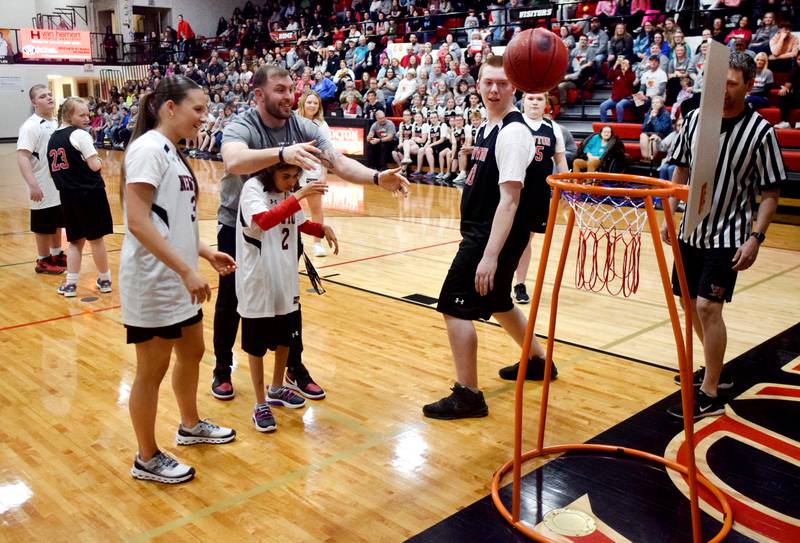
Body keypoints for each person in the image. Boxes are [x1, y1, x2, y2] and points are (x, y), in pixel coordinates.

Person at [212, 65, 409, 401]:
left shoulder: (302, 126)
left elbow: (338, 162)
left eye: (291, 89)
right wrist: (282, 153)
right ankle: (222, 367)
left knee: (290, 296)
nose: (289, 96)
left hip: (283, 224)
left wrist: (376, 178)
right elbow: (233, 161)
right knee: (232, 298)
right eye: (279, 89)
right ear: (259, 94)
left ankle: (294, 367)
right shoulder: (242, 125)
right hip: (240, 225)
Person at [422, 56, 556, 420]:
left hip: (490, 235)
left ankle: (468, 394)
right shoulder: (487, 126)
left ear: (514, 86)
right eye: (488, 82)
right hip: (486, 231)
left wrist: (490, 255)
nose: (494, 90)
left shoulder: (512, 132)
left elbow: (510, 199)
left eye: (502, 83)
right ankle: (538, 361)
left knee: (452, 304)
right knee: (498, 300)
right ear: (477, 84)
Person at [121, 76, 237, 484]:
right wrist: (186, 268)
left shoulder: (173, 152)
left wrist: (203, 252)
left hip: (181, 278)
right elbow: (136, 222)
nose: (204, 118)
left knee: (193, 350)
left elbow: (169, 218)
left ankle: (189, 425)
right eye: (198, 110)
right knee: (150, 371)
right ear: (169, 108)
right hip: (155, 281)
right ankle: (146, 457)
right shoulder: (149, 149)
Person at [661, 52, 784, 420]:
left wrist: (756, 238)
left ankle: (711, 392)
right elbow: (680, 168)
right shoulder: (696, 117)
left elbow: (771, 194)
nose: (724, 90)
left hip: (729, 233)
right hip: (690, 228)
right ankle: (718, 371)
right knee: (687, 302)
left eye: (732, 83)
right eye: (720, 82)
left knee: (707, 306)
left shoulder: (761, 132)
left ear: (749, 84)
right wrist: (670, 212)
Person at [237, 163, 337, 432]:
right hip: (258, 280)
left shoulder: (288, 193)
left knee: (285, 339)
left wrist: (321, 229)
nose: (291, 182)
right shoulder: (253, 189)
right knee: (256, 347)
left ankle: (277, 387)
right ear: (270, 171)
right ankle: (260, 404)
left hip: (286, 277)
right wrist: (300, 194)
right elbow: (265, 221)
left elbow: (300, 223)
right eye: (286, 176)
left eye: (295, 177)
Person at [47, 97, 113, 298]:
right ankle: (104, 279)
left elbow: (51, 172)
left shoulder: (53, 138)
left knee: (75, 241)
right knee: (96, 240)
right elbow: (95, 165)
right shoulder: (79, 135)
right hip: (89, 194)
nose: (87, 118)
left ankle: (70, 284)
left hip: (67, 196)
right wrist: (99, 160)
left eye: (88, 114)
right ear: (68, 115)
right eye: (81, 115)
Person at [509, 92, 568, 309]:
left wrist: (566, 191)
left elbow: (560, 162)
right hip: (512, 189)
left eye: (539, 99)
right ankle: (499, 278)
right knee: (505, 236)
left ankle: (520, 284)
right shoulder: (513, 122)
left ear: (546, 104)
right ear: (523, 102)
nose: (535, 102)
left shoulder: (553, 128)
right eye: (530, 98)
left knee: (525, 240)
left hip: (538, 192)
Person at [16, 84, 66, 275]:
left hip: (57, 183)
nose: (49, 98)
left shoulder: (56, 122)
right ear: (34, 102)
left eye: (50, 95)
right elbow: (22, 156)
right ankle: (43, 259)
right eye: (43, 96)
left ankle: (56, 253)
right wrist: (32, 184)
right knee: (43, 223)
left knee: (56, 220)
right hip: (41, 182)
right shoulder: (30, 126)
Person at [296, 91, 331, 257]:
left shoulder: (322, 126)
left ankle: (317, 243)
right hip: (293, 171)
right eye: (309, 102)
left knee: (315, 207)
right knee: (288, 206)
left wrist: (324, 174)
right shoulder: (293, 121)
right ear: (303, 103)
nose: (312, 105)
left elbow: (326, 152)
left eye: (315, 103)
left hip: (313, 170)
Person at [639, 96, 672, 163]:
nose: (654, 104)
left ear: (662, 104)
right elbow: (643, 129)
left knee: (654, 137)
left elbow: (660, 129)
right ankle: (646, 158)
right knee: (643, 135)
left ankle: (651, 159)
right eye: (653, 103)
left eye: (657, 102)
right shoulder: (649, 113)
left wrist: (654, 118)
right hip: (651, 133)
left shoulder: (666, 114)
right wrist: (649, 119)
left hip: (662, 135)